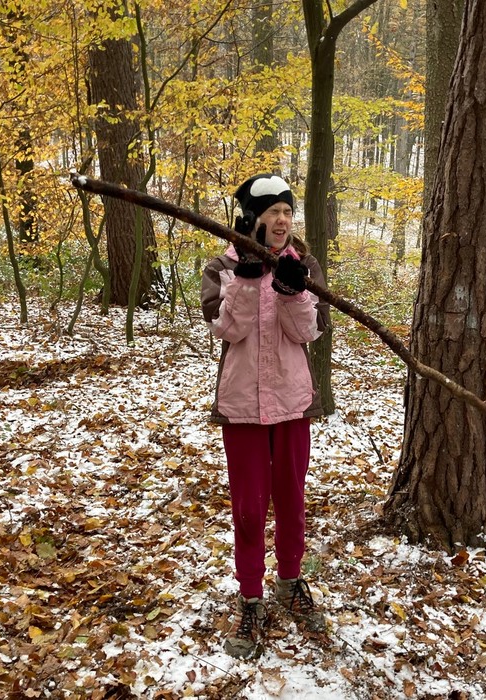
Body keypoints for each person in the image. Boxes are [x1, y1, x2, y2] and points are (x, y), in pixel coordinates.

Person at [201, 173, 330, 659]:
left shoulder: (305, 264)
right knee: (250, 508)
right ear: (252, 218)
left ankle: (290, 582)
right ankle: (251, 597)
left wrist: (294, 291)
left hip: (292, 402)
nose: (282, 220)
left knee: (291, 499)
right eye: (273, 211)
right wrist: (248, 280)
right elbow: (226, 330)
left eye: (287, 212)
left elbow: (310, 333)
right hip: (242, 406)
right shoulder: (221, 267)